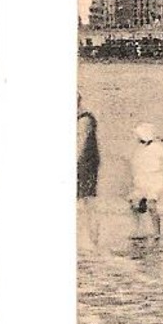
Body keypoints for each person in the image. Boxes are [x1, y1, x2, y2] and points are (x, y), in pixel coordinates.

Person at [129, 123, 163, 246]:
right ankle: (139, 229)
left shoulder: (157, 148)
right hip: (141, 179)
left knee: (152, 205)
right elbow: (136, 164)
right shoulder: (139, 149)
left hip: (154, 179)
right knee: (134, 203)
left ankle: (157, 232)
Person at [77, 95, 101, 252]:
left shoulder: (84, 119)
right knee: (86, 202)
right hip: (84, 163)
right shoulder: (83, 117)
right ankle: (88, 241)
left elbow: (80, 144)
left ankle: (91, 242)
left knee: (86, 202)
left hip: (84, 164)